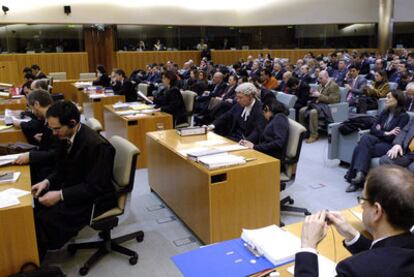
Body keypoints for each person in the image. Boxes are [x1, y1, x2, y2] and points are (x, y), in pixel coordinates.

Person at [31, 101, 116, 260]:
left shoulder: (97, 146)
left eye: (57, 129)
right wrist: (47, 182)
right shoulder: (66, 136)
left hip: (97, 198)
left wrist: (60, 195)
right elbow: (60, 169)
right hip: (77, 185)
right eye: (51, 128)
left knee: (43, 219)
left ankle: (34, 263)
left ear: (73, 123)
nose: (54, 133)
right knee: (37, 205)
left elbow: (95, 187)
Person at [295, 165, 414, 277]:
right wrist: (351, 234)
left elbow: (376, 263)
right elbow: (387, 255)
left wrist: (308, 246)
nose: (361, 205)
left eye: (363, 199)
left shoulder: (354, 270)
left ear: (377, 211)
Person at [344, 90, 409, 192]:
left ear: (397, 100)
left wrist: (381, 131)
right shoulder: (384, 112)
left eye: (389, 97)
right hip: (378, 139)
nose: (386, 99)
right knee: (365, 138)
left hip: (388, 144)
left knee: (359, 148)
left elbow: (393, 137)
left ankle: (356, 179)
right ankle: (359, 176)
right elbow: (373, 129)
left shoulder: (404, 116)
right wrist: (385, 133)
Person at [13, 90, 64, 184]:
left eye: (31, 107)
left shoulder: (55, 119)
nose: (32, 112)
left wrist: (31, 156)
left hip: (55, 171)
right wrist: (44, 139)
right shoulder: (47, 117)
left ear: (36, 104)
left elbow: (57, 152)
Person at [298, 70, 340, 143]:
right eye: (318, 78)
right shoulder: (321, 85)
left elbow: (334, 100)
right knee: (302, 110)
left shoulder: (333, 86)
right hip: (318, 105)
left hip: (327, 107)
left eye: (321, 78)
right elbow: (317, 96)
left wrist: (319, 95)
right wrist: (313, 94)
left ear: (326, 77)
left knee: (313, 112)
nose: (319, 80)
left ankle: (314, 135)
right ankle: (305, 132)